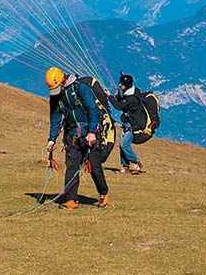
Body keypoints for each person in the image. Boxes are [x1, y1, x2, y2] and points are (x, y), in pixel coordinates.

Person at [46, 67, 113, 209]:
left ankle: (103, 193)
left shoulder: (81, 88)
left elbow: (93, 110)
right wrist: (52, 139)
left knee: (94, 166)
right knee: (72, 166)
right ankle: (71, 199)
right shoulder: (56, 96)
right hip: (72, 134)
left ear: (63, 80)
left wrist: (92, 132)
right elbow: (55, 117)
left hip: (89, 132)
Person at [112, 73, 149, 174]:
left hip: (131, 125)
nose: (120, 85)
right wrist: (118, 96)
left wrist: (109, 97)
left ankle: (136, 162)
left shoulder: (132, 98)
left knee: (124, 145)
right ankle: (125, 167)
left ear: (126, 86)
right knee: (122, 145)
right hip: (127, 124)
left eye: (122, 84)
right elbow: (124, 104)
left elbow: (119, 106)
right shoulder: (130, 95)